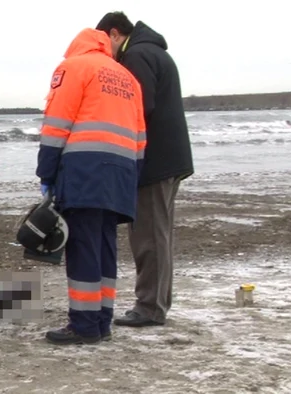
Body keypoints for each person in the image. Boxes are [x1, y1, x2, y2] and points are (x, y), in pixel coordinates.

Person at [36, 28, 146, 345]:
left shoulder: (74, 67)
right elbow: (140, 136)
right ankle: (102, 320)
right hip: (121, 172)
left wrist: (47, 174)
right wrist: (132, 176)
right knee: (105, 245)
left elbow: (57, 123)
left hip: (85, 168)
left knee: (82, 245)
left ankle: (84, 325)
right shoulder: (127, 77)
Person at [95, 12, 194, 327]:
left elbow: (138, 107)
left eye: (103, 45)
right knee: (158, 234)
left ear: (114, 34)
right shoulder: (153, 51)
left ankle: (149, 307)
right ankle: (156, 303)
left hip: (154, 160)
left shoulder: (136, 54)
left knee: (149, 236)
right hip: (168, 157)